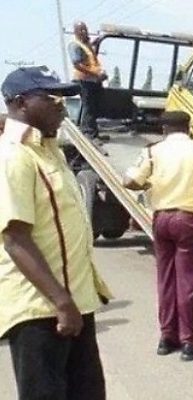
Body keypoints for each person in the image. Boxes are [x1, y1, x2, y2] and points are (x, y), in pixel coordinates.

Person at [0, 65, 111, 399]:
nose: (62, 105)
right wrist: (61, 302)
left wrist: (73, 302)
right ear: (20, 103)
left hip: (73, 304)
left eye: (64, 97)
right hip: (41, 310)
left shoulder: (49, 152)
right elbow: (15, 238)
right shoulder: (14, 156)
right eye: (51, 97)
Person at [123, 111, 193, 361]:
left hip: (162, 219)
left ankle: (167, 336)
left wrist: (150, 185)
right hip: (191, 220)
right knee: (188, 282)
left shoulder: (153, 151)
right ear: (189, 127)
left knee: (166, 279)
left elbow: (130, 181)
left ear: (163, 130)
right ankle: (190, 341)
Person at [68, 21, 107, 140]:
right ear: (75, 32)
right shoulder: (74, 45)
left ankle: (93, 132)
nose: (84, 32)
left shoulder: (86, 45)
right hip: (84, 80)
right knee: (88, 107)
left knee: (94, 107)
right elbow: (77, 64)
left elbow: (90, 57)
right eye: (81, 30)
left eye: (85, 29)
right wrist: (95, 73)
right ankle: (89, 134)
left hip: (93, 81)